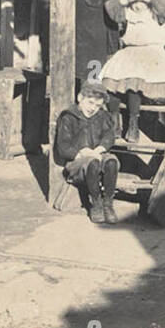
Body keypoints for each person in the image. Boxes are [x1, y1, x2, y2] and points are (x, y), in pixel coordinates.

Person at [100, 0, 165, 144]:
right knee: (109, 82)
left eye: (141, 2)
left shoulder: (156, 12)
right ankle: (115, 122)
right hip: (129, 52)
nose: (138, 5)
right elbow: (110, 7)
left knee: (133, 83)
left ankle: (133, 124)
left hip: (152, 53)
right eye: (134, 2)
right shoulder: (128, 12)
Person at [53, 81, 120, 224]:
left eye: (97, 105)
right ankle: (95, 204)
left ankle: (107, 204)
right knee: (93, 163)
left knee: (112, 162)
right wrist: (82, 153)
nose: (93, 108)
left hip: (96, 154)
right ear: (80, 98)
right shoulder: (69, 117)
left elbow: (109, 136)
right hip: (77, 161)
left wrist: (99, 149)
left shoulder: (102, 116)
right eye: (90, 103)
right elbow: (63, 146)